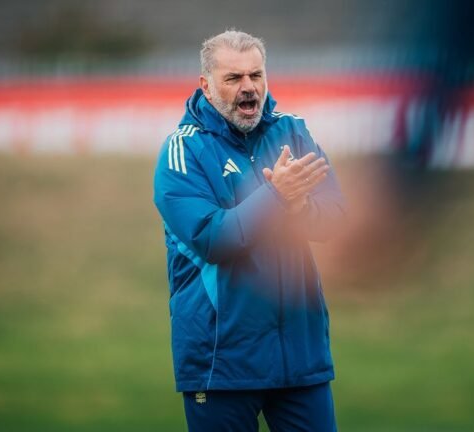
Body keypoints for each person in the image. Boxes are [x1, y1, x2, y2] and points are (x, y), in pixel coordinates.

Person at [152, 29, 346, 432]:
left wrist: (299, 205)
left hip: (300, 356)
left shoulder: (292, 130)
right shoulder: (182, 150)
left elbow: (335, 219)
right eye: (234, 78)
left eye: (256, 76)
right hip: (222, 361)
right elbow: (213, 238)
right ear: (205, 85)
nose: (249, 88)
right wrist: (277, 196)